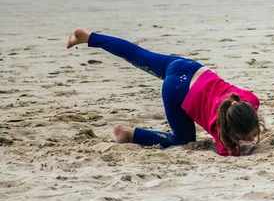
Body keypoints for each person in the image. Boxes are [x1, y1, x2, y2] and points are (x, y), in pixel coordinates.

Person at [66, 28, 261, 156]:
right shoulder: (219, 130)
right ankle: (128, 133)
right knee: (183, 140)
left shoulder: (249, 100)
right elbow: (228, 152)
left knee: (137, 54)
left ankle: (88, 37)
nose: (252, 139)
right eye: (250, 136)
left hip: (188, 67)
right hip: (176, 91)